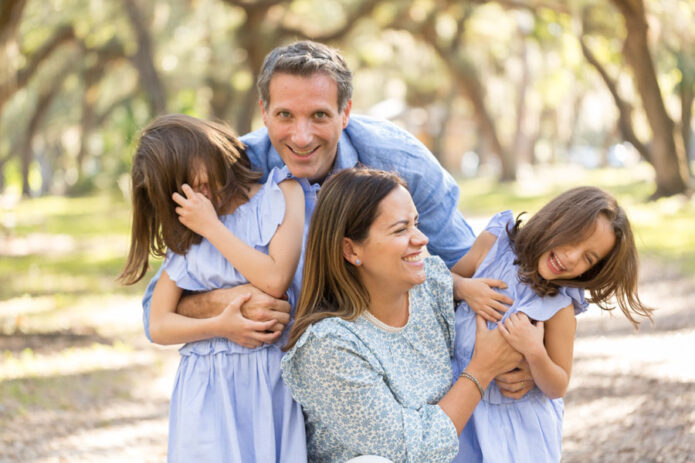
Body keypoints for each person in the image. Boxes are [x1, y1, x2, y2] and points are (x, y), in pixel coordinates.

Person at [140, 40, 532, 396]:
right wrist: (227, 302)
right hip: (279, 374)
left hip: (385, 364)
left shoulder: (400, 163)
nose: (302, 135)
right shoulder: (233, 172)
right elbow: (156, 307)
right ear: (263, 112)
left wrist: (528, 359)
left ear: (345, 112)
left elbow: (474, 269)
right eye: (285, 115)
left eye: (319, 115)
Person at [281, 168, 524, 462]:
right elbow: (411, 453)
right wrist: (482, 370)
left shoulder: (429, 286)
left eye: (416, 224)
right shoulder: (329, 347)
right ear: (350, 248)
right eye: (400, 230)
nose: (421, 239)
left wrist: (525, 372)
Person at [119, 114, 307, 462]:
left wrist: (213, 228)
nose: (198, 192)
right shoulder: (189, 232)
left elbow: (275, 280)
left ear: (209, 147)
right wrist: (220, 326)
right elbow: (158, 325)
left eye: (198, 179)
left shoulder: (281, 194)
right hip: (207, 388)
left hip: (269, 383)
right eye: (183, 188)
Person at [450, 186, 654, 462]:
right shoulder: (493, 247)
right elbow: (443, 282)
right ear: (557, 217)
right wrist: (464, 288)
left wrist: (535, 354)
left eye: (588, 258)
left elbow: (558, 384)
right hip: (461, 405)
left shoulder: (559, 307)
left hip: (517, 428)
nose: (572, 257)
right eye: (574, 238)